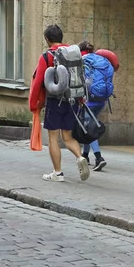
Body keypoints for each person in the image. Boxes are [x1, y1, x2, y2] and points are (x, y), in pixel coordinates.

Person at [29, 25, 90, 182]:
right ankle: (80, 157)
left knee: (53, 138)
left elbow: (37, 83)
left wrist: (33, 104)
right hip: (73, 100)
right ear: (61, 37)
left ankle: (57, 173)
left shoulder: (47, 56)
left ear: (47, 39)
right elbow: (80, 78)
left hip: (55, 101)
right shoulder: (73, 54)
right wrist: (81, 99)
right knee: (68, 137)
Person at [79, 40, 112, 171]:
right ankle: (85, 155)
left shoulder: (82, 60)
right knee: (88, 125)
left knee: (89, 127)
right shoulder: (100, 60)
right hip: (102, 99)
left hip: (89, 100)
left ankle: (99, 158)